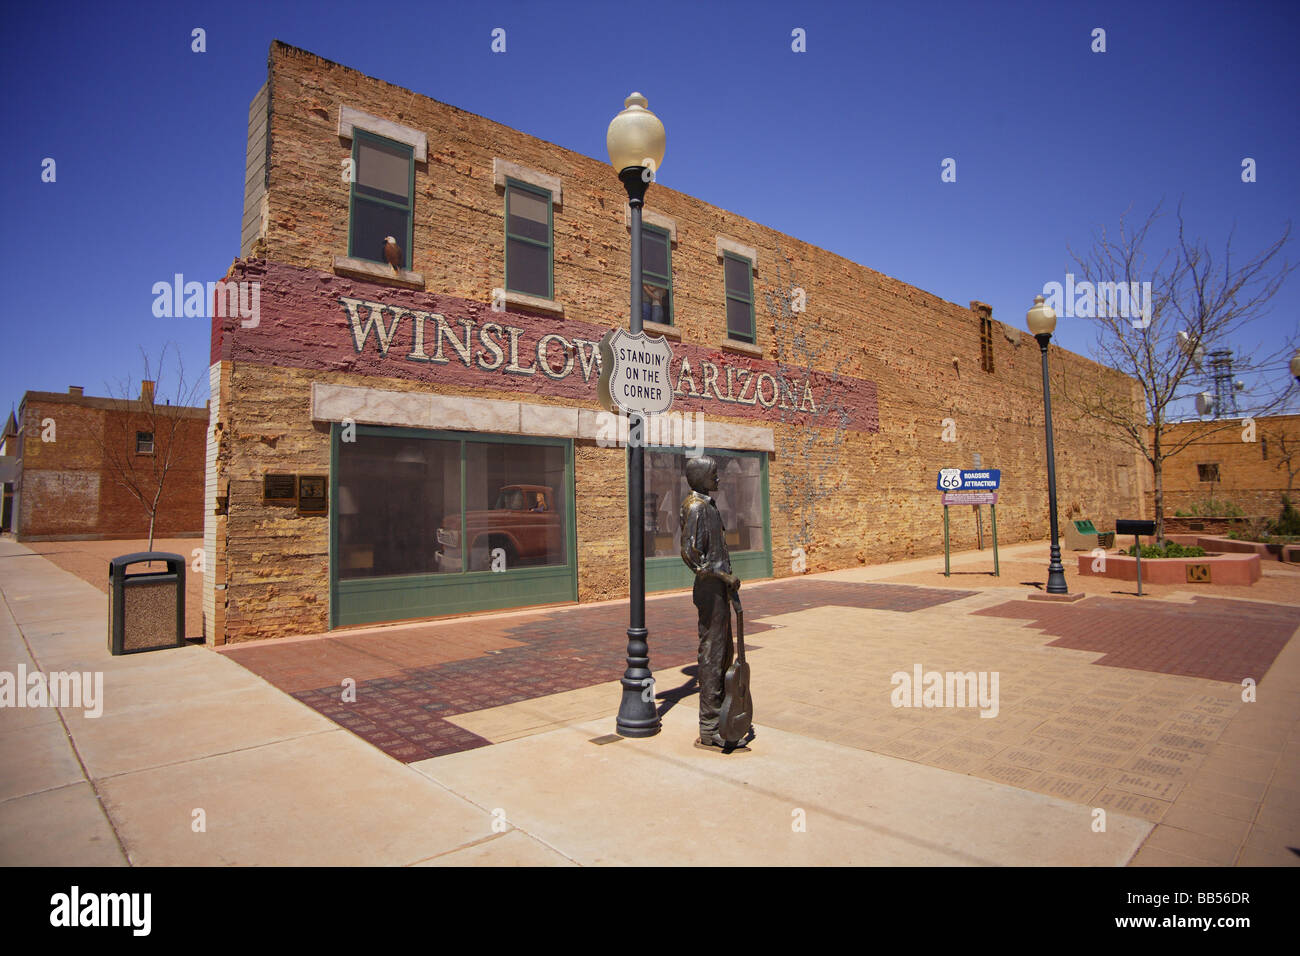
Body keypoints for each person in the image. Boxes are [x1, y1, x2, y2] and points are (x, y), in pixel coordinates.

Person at [679, 456, 751, 748]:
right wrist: (723, 578)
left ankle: (722, 711)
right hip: (710, 590)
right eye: (714, 474)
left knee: (724, 652)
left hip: (720, 588)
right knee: (711, 653)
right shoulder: (695, 508)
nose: (719, 478)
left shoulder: (707, 504)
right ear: (701, 477)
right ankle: (709, 726)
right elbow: (691, 555)